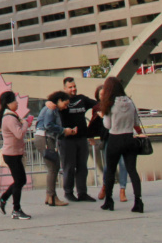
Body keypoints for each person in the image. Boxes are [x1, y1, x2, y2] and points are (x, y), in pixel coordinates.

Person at [99, 76, 144, 213]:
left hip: (115, 138)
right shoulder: (130, 102)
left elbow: (107, 125)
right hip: (129, 139)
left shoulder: (110, 103)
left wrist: (102, 116)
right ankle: (138, 201)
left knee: (111, 171)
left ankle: (109, 201)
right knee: (132, 171)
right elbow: (136, 122)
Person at [59, 76, 98, 202]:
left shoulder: (82, 99)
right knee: (69, 167)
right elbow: (49, 106)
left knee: (82, 166)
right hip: (67, 140)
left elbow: (98, 105)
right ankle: (68, 192)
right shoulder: (61, 100)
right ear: (65, 88)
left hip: (81, 138)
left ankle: (82, 193)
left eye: (74, 86)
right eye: (70, 87)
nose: (73, 89)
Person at [0, 91, 30, 220]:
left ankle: (2, 200)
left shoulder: (11, 116)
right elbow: (19, 134)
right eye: (15, 100)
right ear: (9, 103)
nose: (17, 103)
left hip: (15, 153)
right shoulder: (9, 118)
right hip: (12, 155)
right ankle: (16, 209)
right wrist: (26, 124)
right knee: (20, 181)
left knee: (20, 180)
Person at [91, 85, 129, 202]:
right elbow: (93, 124)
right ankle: (105, 186)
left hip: (120, 136)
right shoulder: (97, 107)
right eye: (100, 95)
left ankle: (122, 189)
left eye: (104, 94)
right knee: (108, 165)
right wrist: (91, 137)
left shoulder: (114, 105)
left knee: (123, 164)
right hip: (107, 138)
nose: (103, 97)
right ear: (97, 96)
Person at [35, 91, 70, 207]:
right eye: (65, 104)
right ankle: (52, 197)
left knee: (53, 166)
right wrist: (63, 130)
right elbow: (48, 125)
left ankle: (50, 195)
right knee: (53, 167)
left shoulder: (50, 107)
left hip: (43, 138)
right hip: (45, 138)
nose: (65, 107)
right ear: (59, 100)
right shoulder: (51, 108)